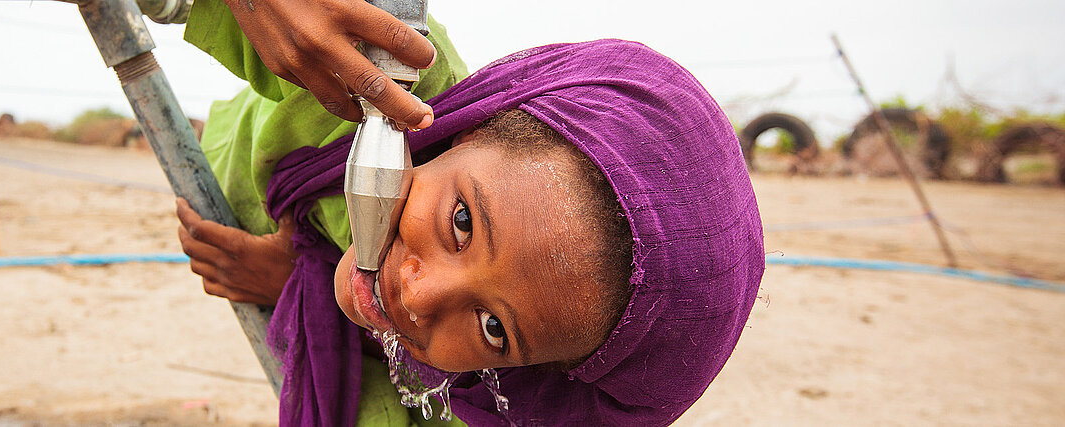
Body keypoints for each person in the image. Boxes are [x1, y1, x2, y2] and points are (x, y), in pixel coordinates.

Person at [176, 0, 764, 425]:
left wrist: (291, 283)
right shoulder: (380, 72)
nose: (420, 296)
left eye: (494, 328)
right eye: (462, 223)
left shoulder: (478, 393)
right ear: (470, 130)